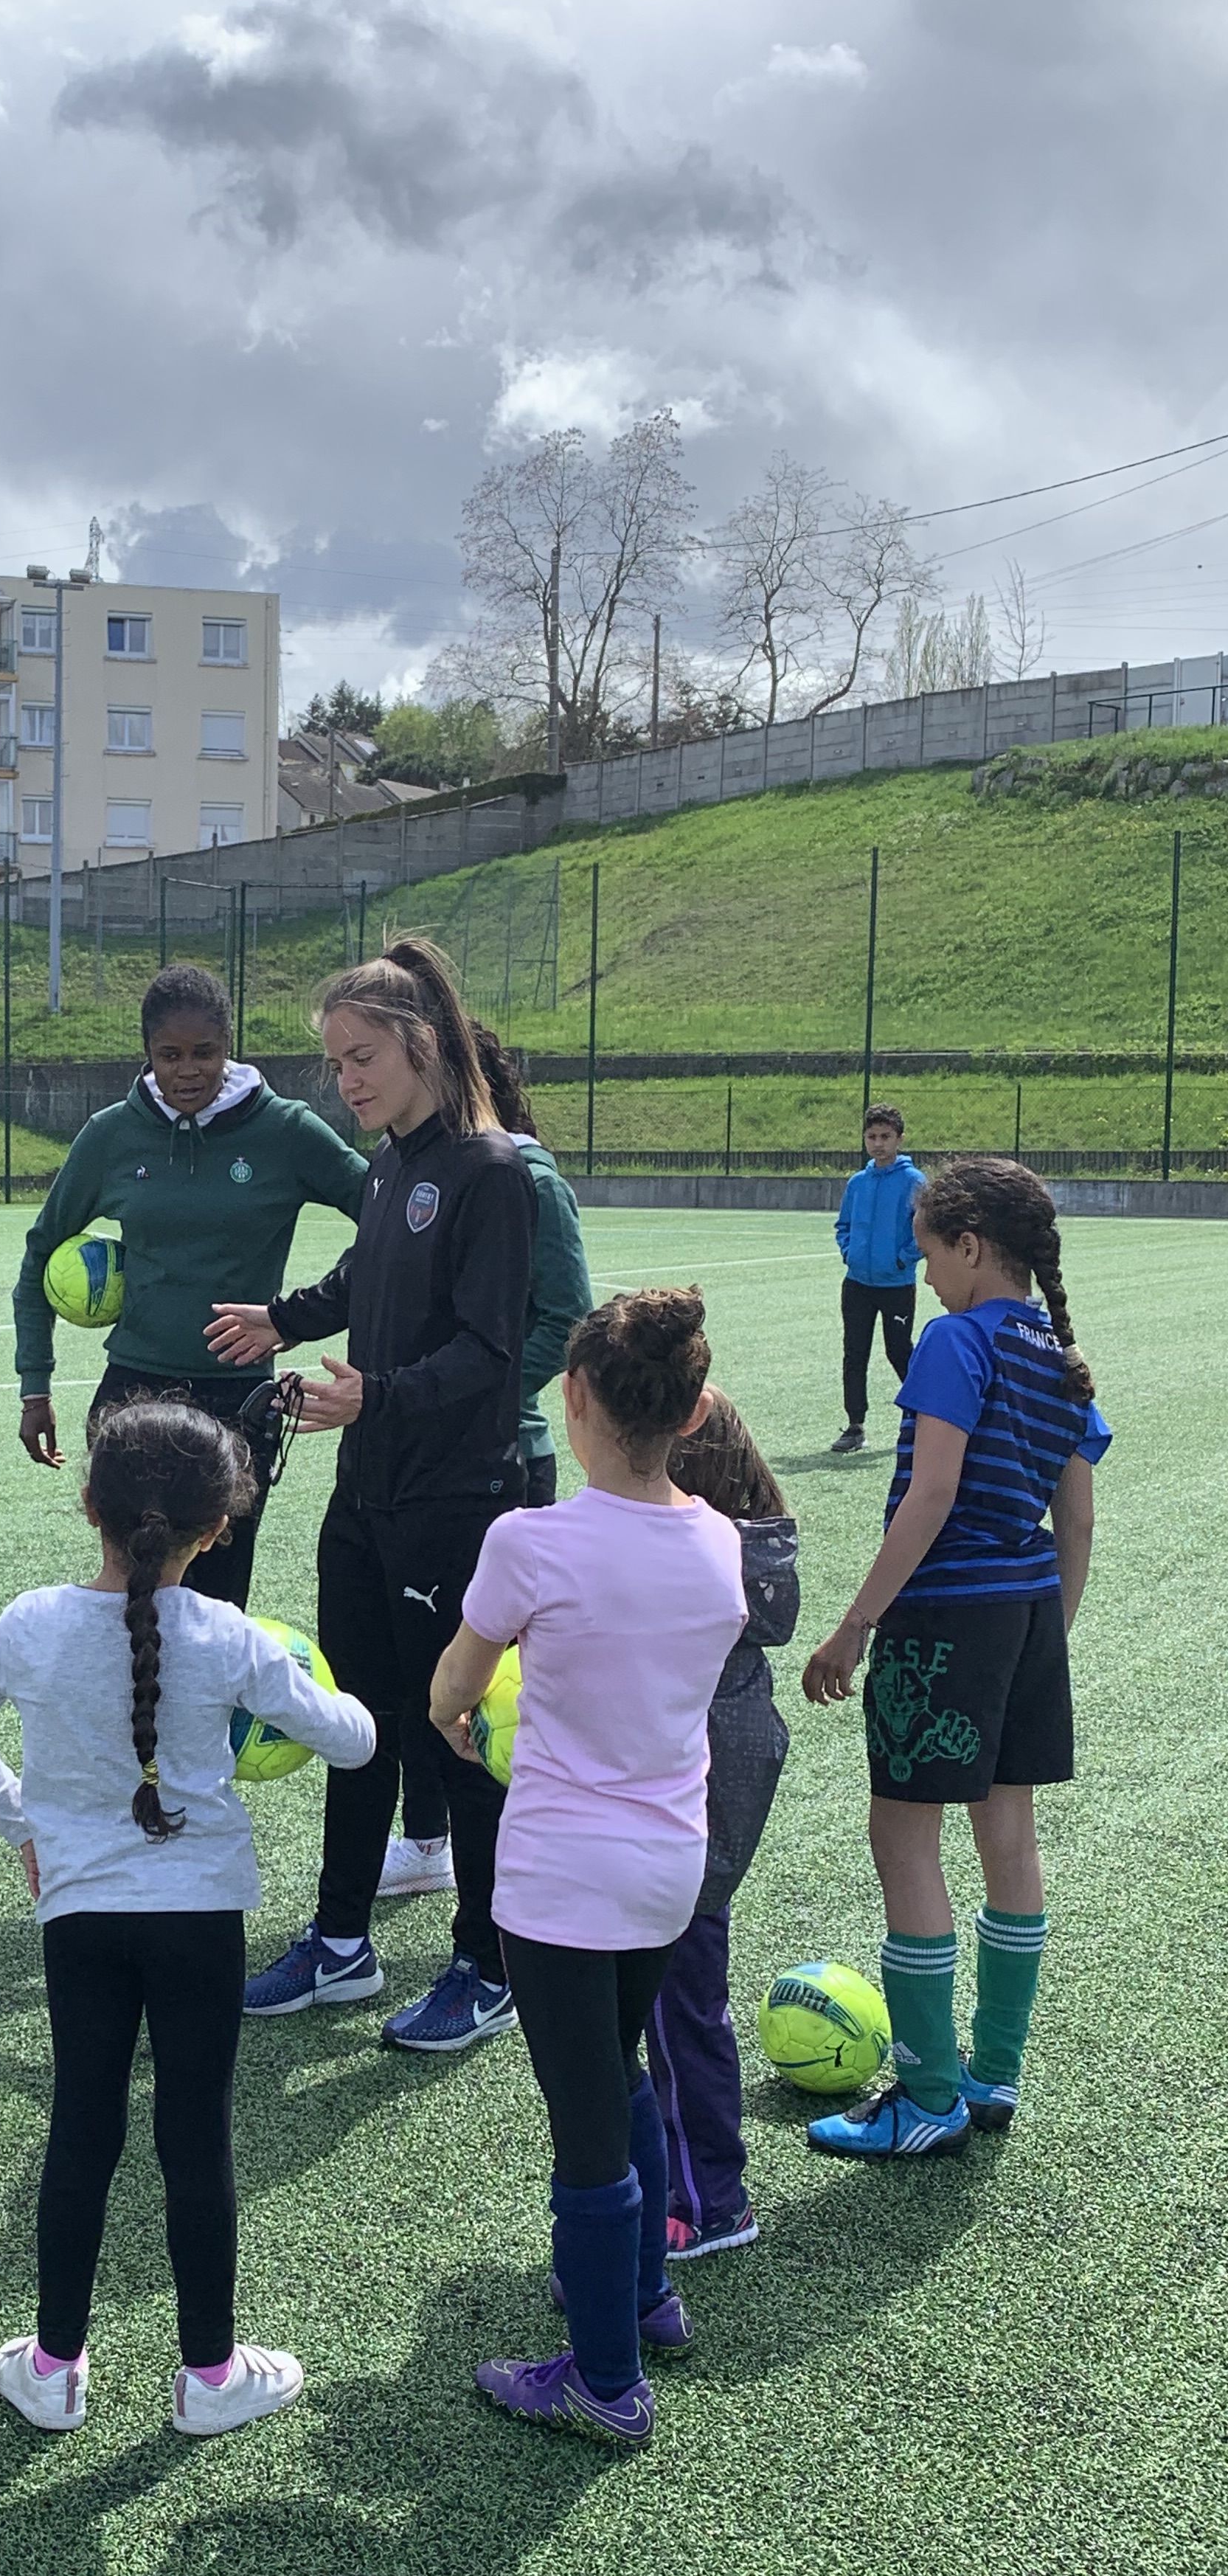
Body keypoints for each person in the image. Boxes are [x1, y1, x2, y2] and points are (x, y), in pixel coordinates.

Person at [0, 1399, 375, 2435]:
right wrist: (296, 1670)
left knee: (82, 2129)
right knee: (195, 2137)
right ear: (219, 1529)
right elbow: (353, 1741)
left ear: (90, 1506)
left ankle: (54, 2368)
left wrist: (26, 1827)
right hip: (201, 1914)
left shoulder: (34, 1622)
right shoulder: (230, 1635)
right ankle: (209, 2378)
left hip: (82, 1919)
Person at [427, 1288, 747, 2447]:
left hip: (565, 1875)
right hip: (669, 1862)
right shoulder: (719, 1538)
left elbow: (452, 1688)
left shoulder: (532, 1540)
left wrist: (464, 1724)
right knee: (621, 2073)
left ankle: (605, 2382)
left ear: (572, 1402)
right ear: (695, 1407)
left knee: (586, 2126)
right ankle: (647, 2296)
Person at [207, 937, 537, 2052]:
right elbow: (369, 1274)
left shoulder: (493, 1171)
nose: (344, 1080)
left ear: (421, 1046)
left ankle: (485, 1966)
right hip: (368, 1490)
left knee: (454, 1728)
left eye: (361, 1057)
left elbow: (494, 1354)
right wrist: (286, 1319)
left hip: (455, 1498)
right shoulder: (392, 1164)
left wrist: (377, 1396)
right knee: (357, 1721)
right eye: (335, 1062)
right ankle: (341, 1942)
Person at [801, 1156, 1107, 2158]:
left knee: (904, 1842)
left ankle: (928, 2097)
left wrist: (855, 1624)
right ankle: (995, 2075)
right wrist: (1041, 1636)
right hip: (1025, 1618)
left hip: (942, 1622)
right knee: (1009, 1841)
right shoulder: (1060, 1357)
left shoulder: (952, 1342)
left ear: (972, 1247)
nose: (924, 1275)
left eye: (930, 1253)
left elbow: (930, 1496)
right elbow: (1076, 1521)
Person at [13, 961, 367, 1607]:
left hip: (240, 1400)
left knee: (216, 1603)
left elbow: (389, 1217)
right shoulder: (111, 1135)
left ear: (229, 1049)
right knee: (129, 1591)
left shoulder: (285, 1131)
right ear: (147, 1054)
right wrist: (34, 1385)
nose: (187, 1070)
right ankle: (130, 1712)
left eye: (205, 1053)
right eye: (168, 1055)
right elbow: (40, 1253)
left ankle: (205, 1714)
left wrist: (299, 1315)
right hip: (132, 1395)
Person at [384, 1021, 593, 1905]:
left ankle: (504, 1904)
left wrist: (478, 1398)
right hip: (420, 1451)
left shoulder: (524, 1177)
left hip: (500, 1457)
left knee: (483, 1682)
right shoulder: (418, 1170)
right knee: (418, 1673)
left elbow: (565, 1320)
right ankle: (427, 1839)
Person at [650, 1394, 800, 2260]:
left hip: (702, 1777)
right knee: (681, 1994)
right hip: (729, 1762)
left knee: (682, 2001)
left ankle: (711, 2199)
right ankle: (697, 2182)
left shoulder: (700, 1557)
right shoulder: (756, 1548)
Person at [832, 1104, 926, 1455]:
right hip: (857, 1283)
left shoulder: (914, 1181)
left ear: (899, 1139)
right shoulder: (858, 1182)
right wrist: (849, 1252)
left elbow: (924, 1228)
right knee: (854, 1353)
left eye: (886, 1137)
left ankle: (922, 1415)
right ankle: (855, 1426)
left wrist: (904, 1259)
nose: (878, 1143)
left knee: (899, 1350)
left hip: (897, 1285)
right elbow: (844, 1226)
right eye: (872, 1137)